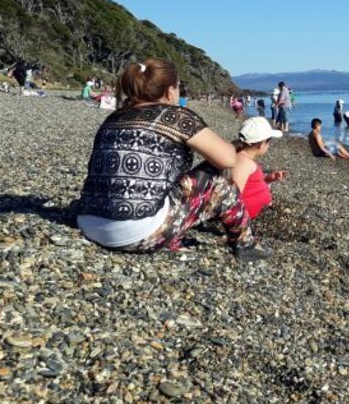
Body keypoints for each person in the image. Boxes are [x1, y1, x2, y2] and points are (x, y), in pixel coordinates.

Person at [75, 58, 268, 261]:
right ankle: (245, 243)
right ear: (169, 91)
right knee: (220, 178)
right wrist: (237, 144)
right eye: (178, 87)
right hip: (136, 234)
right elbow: (228, 160)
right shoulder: (175, 117)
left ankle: (172, 236)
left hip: (88, 223)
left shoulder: (114, 118)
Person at [232, 117, 288, 219]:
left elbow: (249, 185)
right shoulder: (243, 162)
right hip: (248, 217)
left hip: (260, 213)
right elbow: (232, 195)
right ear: (261, 144)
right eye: (269, 141)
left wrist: (268, 179)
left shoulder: (245, 160)